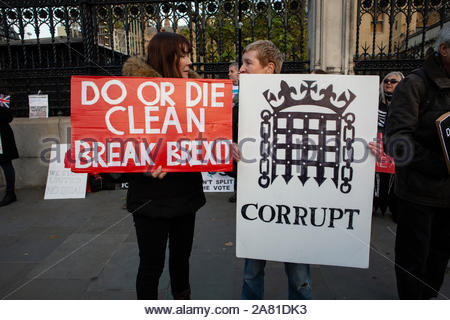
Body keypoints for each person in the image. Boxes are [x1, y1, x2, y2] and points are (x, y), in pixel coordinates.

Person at [120, 32, 206, 300]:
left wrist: (226, 149)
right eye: (182, 55)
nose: (190, 61)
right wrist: (142, 166)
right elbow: (114, 151)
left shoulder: (197, 95)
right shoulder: (131, 98)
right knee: (151, 266)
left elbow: (208, 140)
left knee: (182, 262)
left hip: (185, 195)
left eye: (188, 54)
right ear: (166, 58)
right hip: (149, 199)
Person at [234, 40, 312, 300]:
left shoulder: (298, 102)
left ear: (268, 70)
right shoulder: (238, 106)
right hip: (256, 203)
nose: (240, 69)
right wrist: (230, 149)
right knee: (252, 272)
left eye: (247, 63)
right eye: (242, 63)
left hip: (296, 202)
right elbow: (226, 145)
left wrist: (366, 151)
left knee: (299, 276)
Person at [384, 25, 450, 299]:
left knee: (438, 261)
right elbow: (397, 142)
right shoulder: (416, 84)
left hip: (447, 196)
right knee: (414, 262)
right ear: (444, 50)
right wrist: (442, 162)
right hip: (418, 194)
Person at [370, 71, 404, 218]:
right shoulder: (374, 104)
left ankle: (392, 206)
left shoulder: (405, 105)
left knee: (393, 179)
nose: (388, 83)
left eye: (393, 81)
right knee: (375, 178)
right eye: (386, 81)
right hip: (376, 147)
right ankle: (374, 204)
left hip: (396, 147)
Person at [0, 99, 18, 207]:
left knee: (6, 164)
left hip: (2, 137)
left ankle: (10, 193)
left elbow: (8, 117)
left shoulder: (2, 100)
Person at [228, 62, 240, 203]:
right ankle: (237, 190)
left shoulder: (247, 88)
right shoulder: (226, 88)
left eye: (232, 71)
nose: (229, 74)